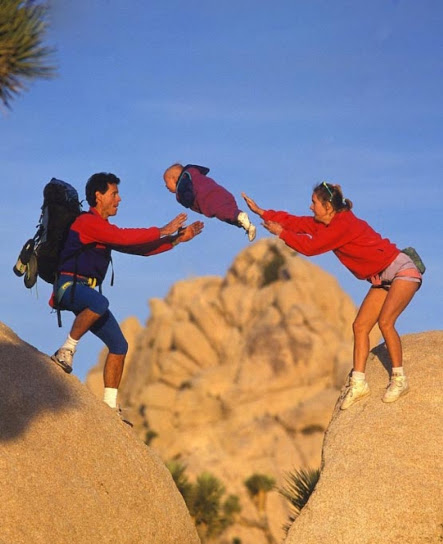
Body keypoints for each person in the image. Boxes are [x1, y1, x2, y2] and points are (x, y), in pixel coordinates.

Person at [242, 182, 423, 409]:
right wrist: (263, 212)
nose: (310, 207)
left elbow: (311, 248)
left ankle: (399, 379)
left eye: (314, 203)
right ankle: (358, 383)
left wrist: (281, 233)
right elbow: (298, 223)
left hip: (401, 270)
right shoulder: (326, 222)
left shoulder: (343, 225)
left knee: (386, 322)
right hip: (381, 277)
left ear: (327, 206)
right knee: (360, 326)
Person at [51, 172, 203, 419]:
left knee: (119, 345)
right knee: (100, 302)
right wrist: (162, 230)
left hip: (87, 294)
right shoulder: (87, 223)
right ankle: (66, 350)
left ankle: (109, 406)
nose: (119, 199)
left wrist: (175, 240)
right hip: (69, 287)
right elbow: (123, 237)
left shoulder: (104, 229)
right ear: (98, 196)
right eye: (114, 193)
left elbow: (138, 249)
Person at [163, 163, 256, 241]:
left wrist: (183, 199)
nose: (166, 186)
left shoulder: (183, 182)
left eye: (166, 182)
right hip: (220, 192)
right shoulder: (195, 175)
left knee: (223, 212)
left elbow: (188, 195)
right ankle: (247, 226)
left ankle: (241, 218)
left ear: (174, 179)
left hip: (208, 197)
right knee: (227, 214)